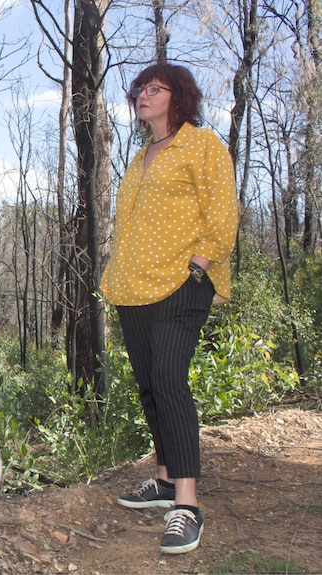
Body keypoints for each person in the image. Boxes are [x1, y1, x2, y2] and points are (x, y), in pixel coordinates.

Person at [100, 62, 239, 554]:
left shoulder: (201, 145)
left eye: (154, 88)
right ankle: (162, 480)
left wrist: (199, 266)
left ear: (178, 96)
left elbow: (222, 210)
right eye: (140, 88)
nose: (142, 94)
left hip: (183, 282)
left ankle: (187, 504)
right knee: (148, 384)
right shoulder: (141, 157)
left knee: (171, 381)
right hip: (133, 287)